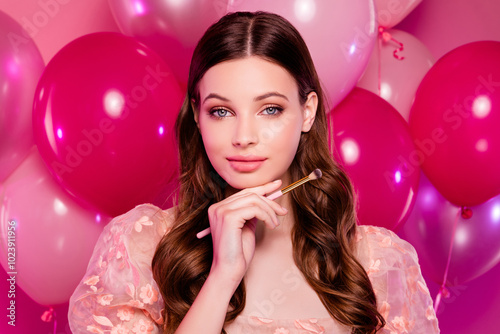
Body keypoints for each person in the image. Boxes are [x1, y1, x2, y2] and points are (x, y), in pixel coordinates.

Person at [68, 11, 439, 334]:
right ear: (197, 115)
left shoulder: (377, 264)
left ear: (307, 111)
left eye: (270, 109)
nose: (244, 138)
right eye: (221, 112)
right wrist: (222, 277)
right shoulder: (141, 250)